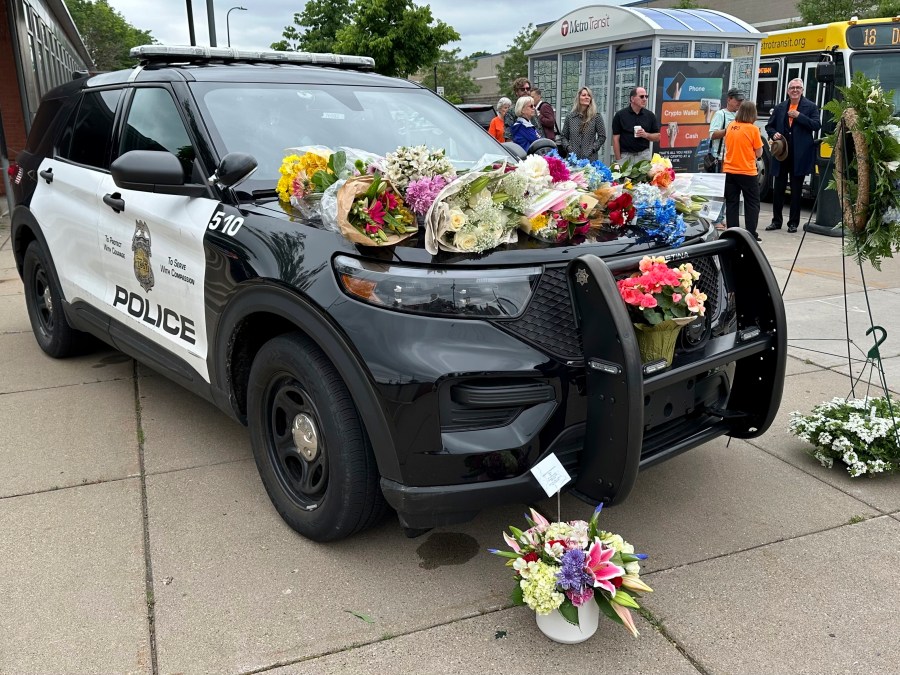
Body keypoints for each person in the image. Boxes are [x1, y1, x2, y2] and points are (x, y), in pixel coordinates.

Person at [765, 78, 821, 233]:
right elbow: (769, 126)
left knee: (796, 191)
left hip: (800, 155)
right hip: (782, 154)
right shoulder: (780, 107)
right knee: (779, 189)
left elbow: (816, 125)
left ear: (802, 90)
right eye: (792, 88)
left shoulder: (810, 106)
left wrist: (799, 116)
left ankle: (793, 223)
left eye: (798, 88)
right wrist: (773, 133)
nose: (795, 90)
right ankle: (776, 221)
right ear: (788, 90)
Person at [722, 100, 763, 241]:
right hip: (747, 171)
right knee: (752, 203)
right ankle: (751, 234)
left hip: (729, 170)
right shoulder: (753, 129)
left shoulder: (731, 126)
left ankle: (733, 233)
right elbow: (759, 153)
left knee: (732, 202)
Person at [707, 88, 745, 227]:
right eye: (737, 100)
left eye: (741, 101)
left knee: (730, 192)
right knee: (719, 191)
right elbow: (712, 134)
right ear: (729, 99)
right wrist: (729, 130)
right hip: (721, 158)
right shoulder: (720, 114)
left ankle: (724, 217)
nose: (739, 103)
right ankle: (716, 219)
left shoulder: (740, 116)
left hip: (734, 159)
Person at [611, 86, 660, 163]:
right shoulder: (620, 115)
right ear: (632, 99)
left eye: (646, 96)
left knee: (645, 175)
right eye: (641, 96)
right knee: (625, 175)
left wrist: (646, 135)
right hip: (626, 156)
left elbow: (657, 137)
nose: (644, 99)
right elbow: (615, 139)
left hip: (643, 155)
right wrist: (619, 160)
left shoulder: (650, 115)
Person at [559, 86, 606, 161]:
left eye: (589, 95)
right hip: (572, 159)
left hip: (590, 160)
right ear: (578, 98)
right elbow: (563, 137)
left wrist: (593, 149)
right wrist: (568, 148)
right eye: (584, 95)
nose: (587, 97)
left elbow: (602, 137)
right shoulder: (570, 117)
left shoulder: (596, 117)